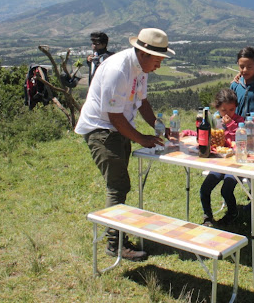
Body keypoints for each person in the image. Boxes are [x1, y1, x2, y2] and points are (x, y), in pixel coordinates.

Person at [75, 28, 175, 261]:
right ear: (144, 53)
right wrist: (142, 139)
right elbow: (115, 117)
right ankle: (115, 244)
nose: (159, 65)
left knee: (121, 184)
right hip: (102, 130)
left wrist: (160, 128)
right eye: (158, 60)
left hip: (118, 129)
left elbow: (141, 102)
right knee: (117, 186)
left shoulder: (141, 68)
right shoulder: (117, 69)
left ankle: (119, 236)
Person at [199, 89, 245, 227]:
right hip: (220, 161)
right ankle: (207, 216)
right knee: (205, 188)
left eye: (231, 109)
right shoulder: (214, 121)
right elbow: (204, 133)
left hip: (234, 163)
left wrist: (230, 125)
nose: (228, 114)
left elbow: (240, 137)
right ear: (217, 108)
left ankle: (232, 212)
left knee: (226, 188)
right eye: (224, 110)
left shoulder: (239, 121)